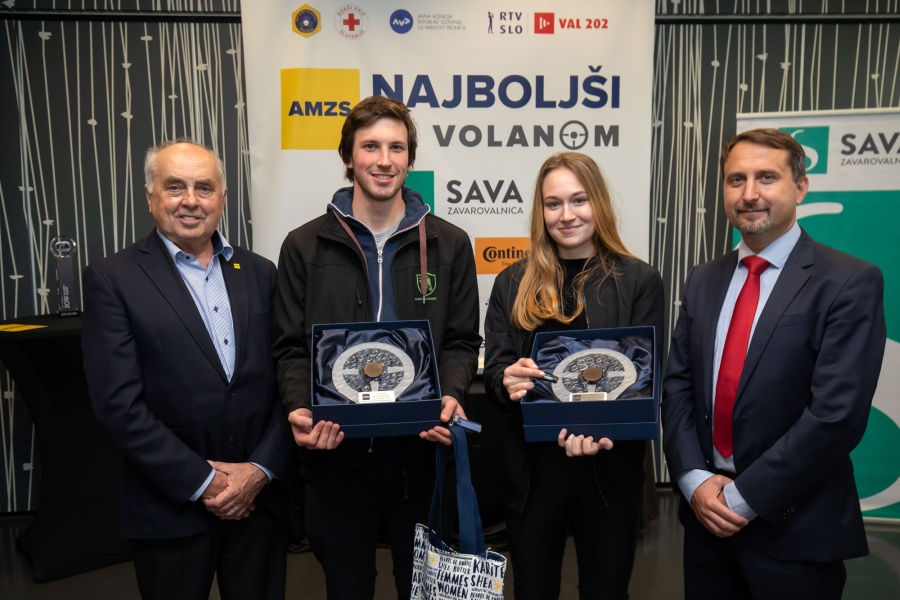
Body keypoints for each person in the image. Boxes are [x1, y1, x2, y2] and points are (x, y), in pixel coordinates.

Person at [662, 128, 887, 600]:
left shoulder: (848, 281)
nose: (749, 194)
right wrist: (694, 480)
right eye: (736, 179)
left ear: (800, 187)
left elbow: (836, 415)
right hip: (705, 523)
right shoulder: (703, 279)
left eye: (766, 177)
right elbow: (678, 387)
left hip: (796, 529)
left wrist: (743, 497)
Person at [272, 95, 481, 599]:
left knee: (424, 589)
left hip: (421, 451)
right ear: (348, 156)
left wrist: (451, 393)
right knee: (347, 588)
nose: (384, 160)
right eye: (370, 146)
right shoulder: (303, 245)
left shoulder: (451, 243)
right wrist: (299, 405)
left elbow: (460, 341)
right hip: (336, 453)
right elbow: (290, 347)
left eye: (396, 147)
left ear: (410, 159)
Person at [81, 139, 292, 600]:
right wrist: (206, 482)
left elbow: (287, 381)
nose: (191, 201)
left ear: (222, 198)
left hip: (258, 503)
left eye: (204, 188)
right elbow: (118, 406)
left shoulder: (260, 272)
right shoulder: (112, 280)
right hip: (169, 507)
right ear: (150, 196)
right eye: (175, 187)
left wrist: (259, 470)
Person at [483, 152, 664, 599]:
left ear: (598, 203)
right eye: (553, 203)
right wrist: (507, 381)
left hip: (610, 469)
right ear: (540, 211)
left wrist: (603, 429)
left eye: (578, 200)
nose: (566, 215)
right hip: (533, 474)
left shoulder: (639, 280)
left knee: (606, 591)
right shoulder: (512, 282)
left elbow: (646, 381)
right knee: (533, 591)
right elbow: (494, 373)